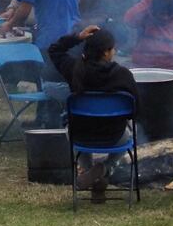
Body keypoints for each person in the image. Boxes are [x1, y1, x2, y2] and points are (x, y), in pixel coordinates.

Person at [49, 25, 138, 202]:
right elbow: (136, 111)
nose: (114, 52)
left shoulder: (74, 68)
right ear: (106, 53)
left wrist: (77, 37)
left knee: (69, 125)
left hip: (79, 135)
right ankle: (104, 170)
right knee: (130, 132)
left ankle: (90, 172)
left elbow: (54, 49)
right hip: (114, 136)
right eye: (112, 49)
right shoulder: (123, 74)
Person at [0, 0, 80, 126]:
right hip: (75, 36)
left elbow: (24, 10)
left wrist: (7, 26)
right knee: (66, 84)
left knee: (51, 85)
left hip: (52, 38)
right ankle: (55, 124)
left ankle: (52, 131)